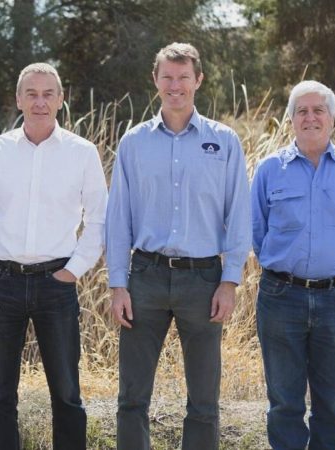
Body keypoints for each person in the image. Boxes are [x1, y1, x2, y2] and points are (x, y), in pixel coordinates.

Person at [106, 42, 251, 450]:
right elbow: (118, 218)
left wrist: (230, 282)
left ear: (198, 80)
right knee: (132, 398)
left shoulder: (224, 141)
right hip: (145, 277)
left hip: (203, 280)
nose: (175, 86)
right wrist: (118, 284)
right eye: (167, 77)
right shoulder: (133, 142)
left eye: (183, 77)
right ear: (155, 81)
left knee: (204, 400)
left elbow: (240, 216)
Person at [0, 62, 107, 450]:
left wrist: (73, 271)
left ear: (60, 100)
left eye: (47, 94)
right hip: (2, 285)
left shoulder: (82, 153)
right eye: (31, 94)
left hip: (56, 283)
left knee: (67, 394)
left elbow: (99, 220)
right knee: (0, 394)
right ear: (18, 100)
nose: (39, 102)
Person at [250, 80, 335, 449]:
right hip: (280, 296)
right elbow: (257, 229)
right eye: (301, 111)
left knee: (332, 403)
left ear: (332, 118)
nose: (310, 117)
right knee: (284, 402)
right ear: (291, 119)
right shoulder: (269, 169)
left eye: (318, 110)